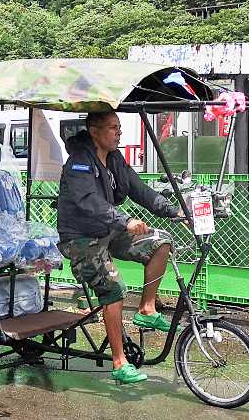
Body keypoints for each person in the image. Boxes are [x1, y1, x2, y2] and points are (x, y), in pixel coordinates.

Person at [57, 110, 180, 385]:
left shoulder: (114, 159)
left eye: (119, 128)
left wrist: (174, 211)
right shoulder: (79, 163)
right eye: (113, 128)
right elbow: (89, 201)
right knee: (113, 289)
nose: (118, 133)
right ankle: (119, 362)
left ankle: (147, 309)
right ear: (94, 131)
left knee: (161, 243)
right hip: (80, 238)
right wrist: (124, 220)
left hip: (108, 230)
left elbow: (139, 189)